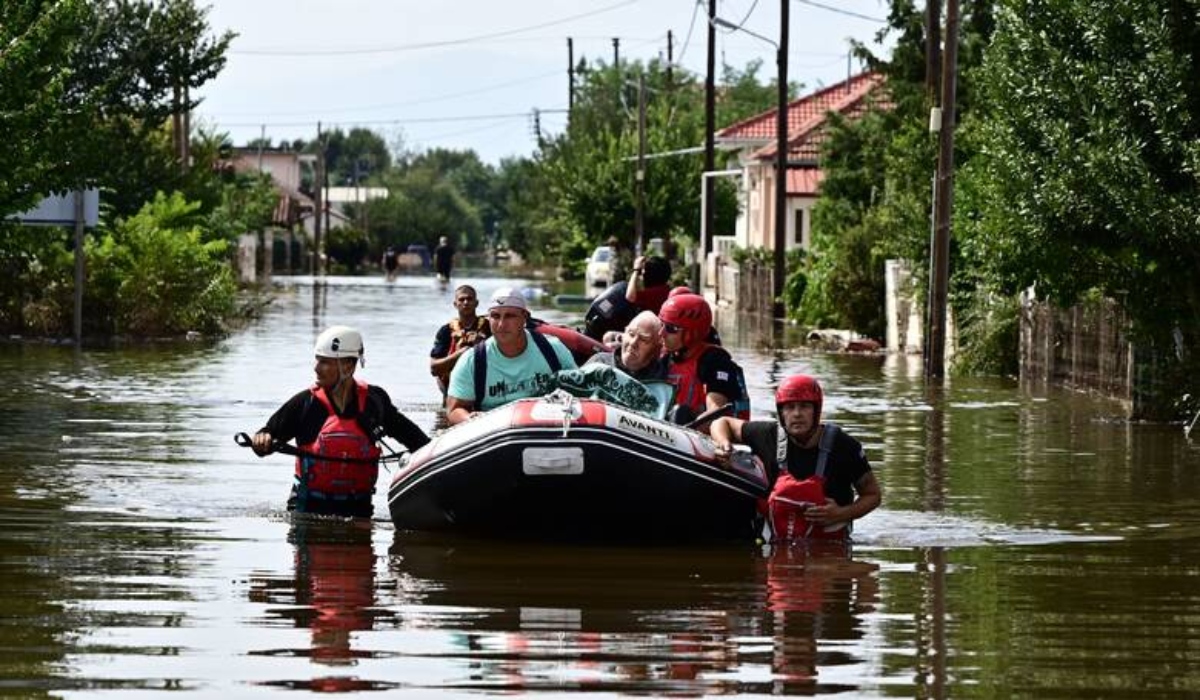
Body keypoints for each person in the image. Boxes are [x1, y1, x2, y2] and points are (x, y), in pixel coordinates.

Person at [251, 325, 431, 518]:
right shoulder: (305, 403)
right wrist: (262, 440)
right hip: (307, 510)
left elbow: (418, 443)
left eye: (325, 362)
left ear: (347, 366)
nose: (316, 368)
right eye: (317, 360)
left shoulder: (374, 401)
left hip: (359, 509)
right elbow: (267, 434)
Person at [709, 374, 881, 541]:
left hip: (830, 550)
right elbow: (722, 422)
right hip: (778, 545)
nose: (797, 414)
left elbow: (873, 495)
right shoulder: (767, 435)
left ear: (816, 410)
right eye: (790, 407)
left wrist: (840, 514)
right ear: (781, 413)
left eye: (805, 406)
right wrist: (723, 444)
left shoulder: (845, 447)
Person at [445, 287, 578, 425]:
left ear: (524, 317)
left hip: (548, 426)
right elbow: (454, 409)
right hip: (495, 432)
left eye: (509, 316)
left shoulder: (553, 348)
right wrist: (470, 419)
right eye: (495, 316)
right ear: (488, 319)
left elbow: (580, 392)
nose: (501, 324)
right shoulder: (472, 361)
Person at [658, 293, 749, 423]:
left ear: (693, 332)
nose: (661, 333)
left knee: (680, 414)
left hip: (699, 433)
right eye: (661, 324)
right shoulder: (664, 356)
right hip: (665, 427)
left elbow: (715, 411)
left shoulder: (715, 361)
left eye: (671, 328)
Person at [429, 284, 491, 397]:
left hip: (484, 385)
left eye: (469, 299)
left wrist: (482, 345)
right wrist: (461, 353)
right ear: (455, 304)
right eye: (462, 299)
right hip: (453, 388)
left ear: (476, 303)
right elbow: (434, 369)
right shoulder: (446, 331)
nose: (466, 303)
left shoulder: (489, 327)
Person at [584, 310, 669, 382]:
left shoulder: (661, 378)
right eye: (631, 334)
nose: (633, 343)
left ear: (656, 347)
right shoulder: (599, 363)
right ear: (624, 333)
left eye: (643, 339)